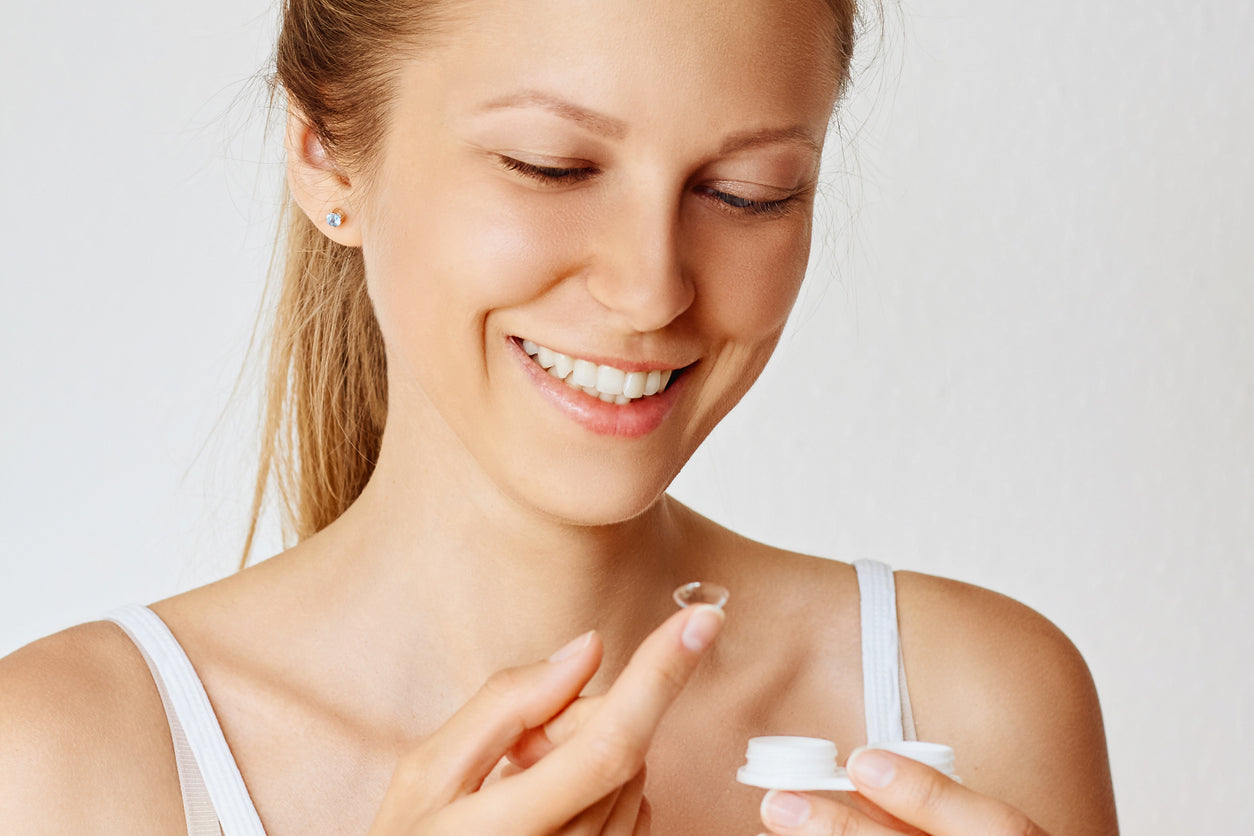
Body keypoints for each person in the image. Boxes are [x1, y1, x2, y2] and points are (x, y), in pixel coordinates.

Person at [0, 0, 1119, 832]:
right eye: (551, 166)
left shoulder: (982, 697)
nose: (651, 288)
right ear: (325, 152)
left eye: (748, 193)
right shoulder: (65, 763)